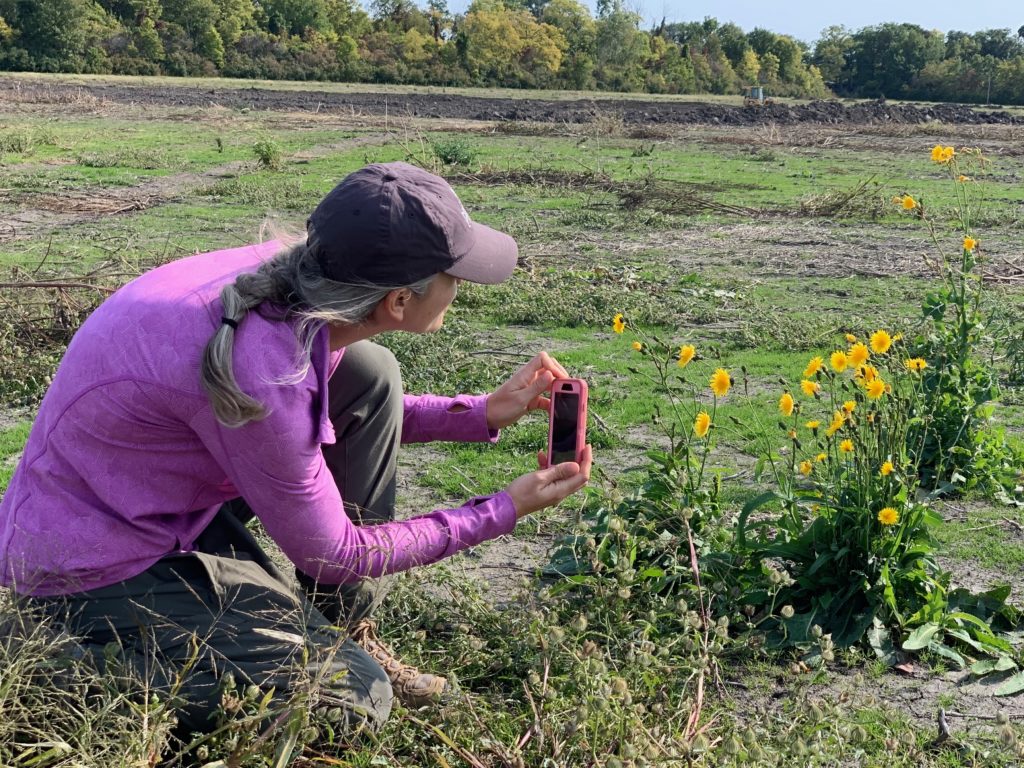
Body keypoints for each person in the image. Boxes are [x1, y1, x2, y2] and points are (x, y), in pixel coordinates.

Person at [0, 162, 592, 737]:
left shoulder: (293, 280)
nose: (460, 288)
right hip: (86, 555)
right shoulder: (264, 369)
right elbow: (333, 554)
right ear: (398, 302)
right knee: (354, 698)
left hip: (140, 492)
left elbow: (321, 413)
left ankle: (341, 630)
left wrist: (478, 413)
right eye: (453, 275)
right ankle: (55, 656)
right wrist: (501, 510)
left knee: (371, 374)